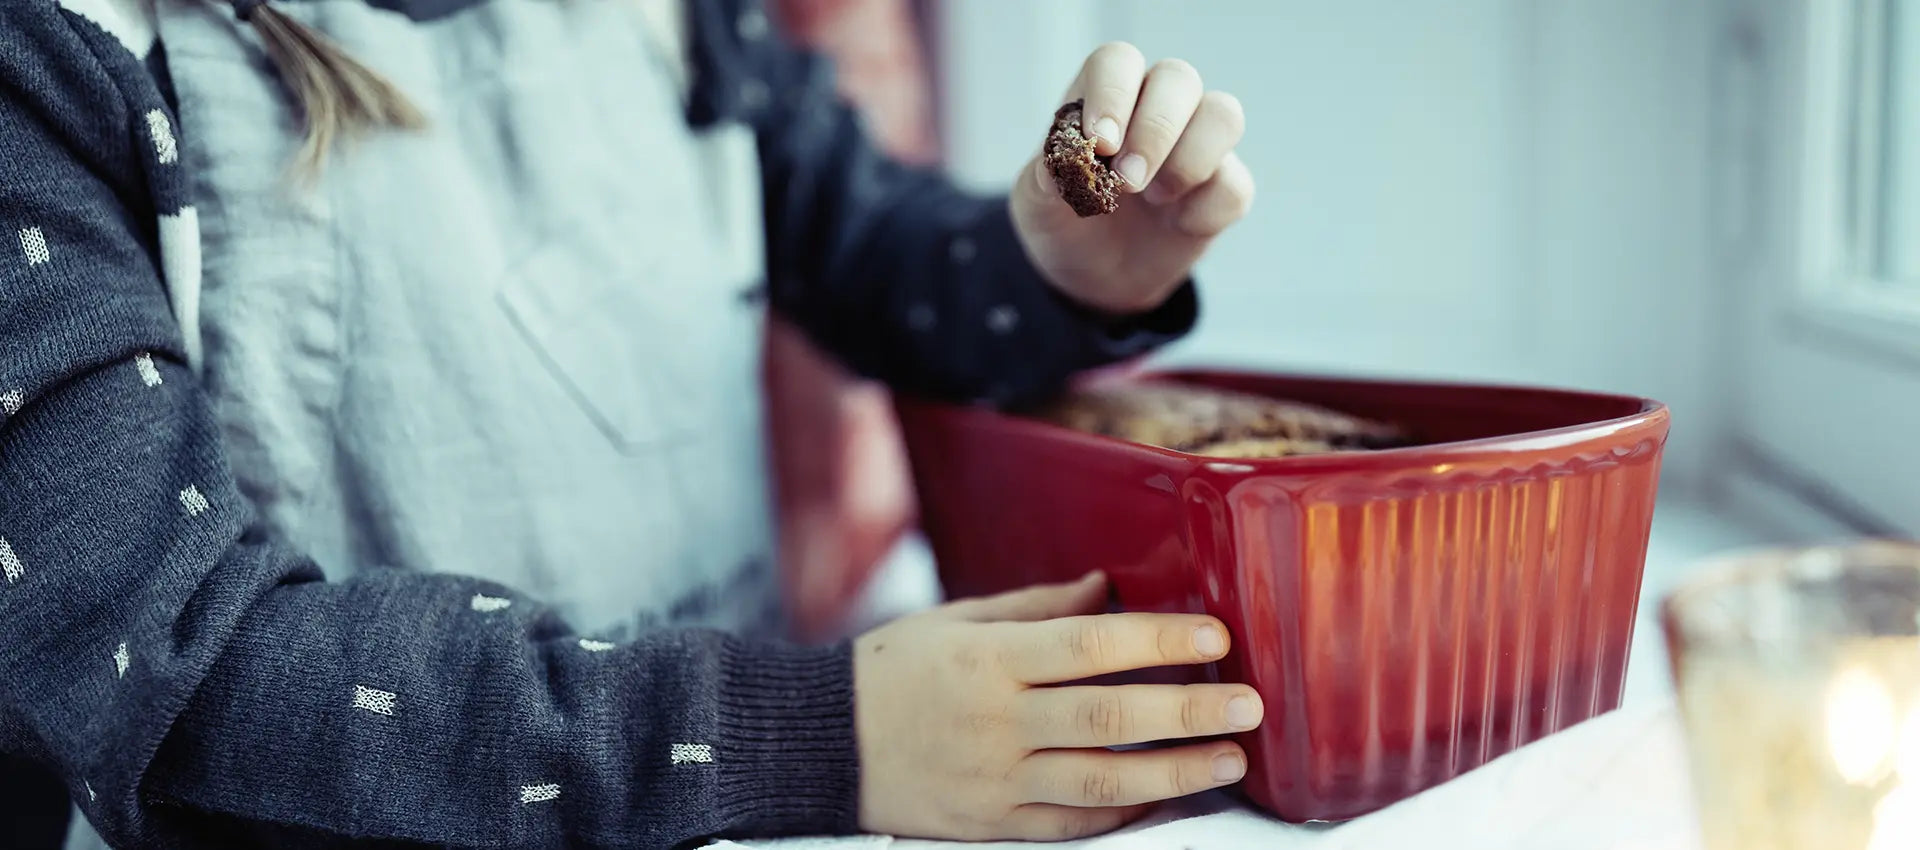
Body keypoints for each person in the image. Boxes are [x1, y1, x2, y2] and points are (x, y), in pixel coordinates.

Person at [0, 0, 1258, 846]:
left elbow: (878, 257)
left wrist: (1056, 260)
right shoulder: (55, 58)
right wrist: (823, 730)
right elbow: (183, 671)